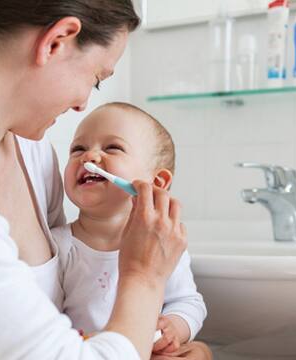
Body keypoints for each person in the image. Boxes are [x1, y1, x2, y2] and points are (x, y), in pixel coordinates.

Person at [0, 0, 210, 359]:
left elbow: (56, 328)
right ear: (57, 41)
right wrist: (144, 276)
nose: (82, 104)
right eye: (96, 79)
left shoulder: (35, 156)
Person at [53, 102, 207, 356]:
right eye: (77, 149)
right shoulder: (59, 246)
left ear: (156, 183)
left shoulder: (163, 244)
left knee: (198, 353)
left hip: (147, 351)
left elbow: (189, 302)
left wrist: (175, 328)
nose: (88, 156)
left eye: (112, 148)